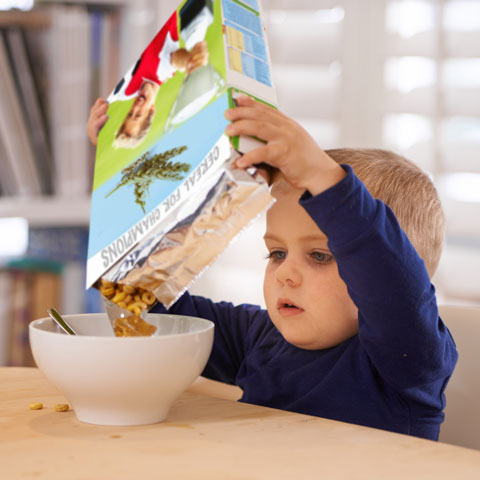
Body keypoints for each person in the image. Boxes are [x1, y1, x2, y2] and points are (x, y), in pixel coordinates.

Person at [86, 95, 457, 440]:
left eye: (320, 256)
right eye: (277, 253)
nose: (284, 274)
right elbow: (144, 305)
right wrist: (122, 176)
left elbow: (388, 277)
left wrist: (320, 174)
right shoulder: (258, 336)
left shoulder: (407, 359)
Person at [87, 10, 209, 149]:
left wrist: (92, 125)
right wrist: (190, 60)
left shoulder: (122, 92)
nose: (136, 106)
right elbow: (177, 60)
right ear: (151, 111)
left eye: (130, 113)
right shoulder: (165, 68)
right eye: (138, 115)